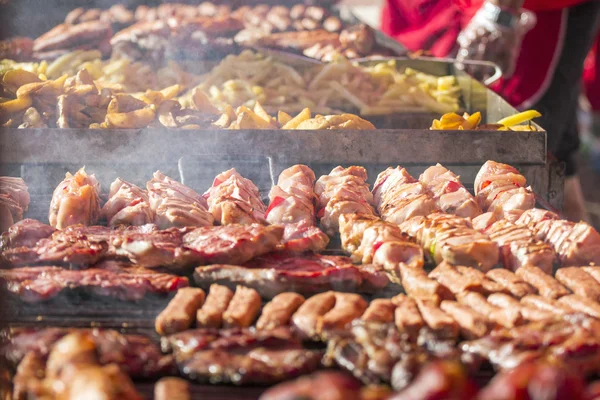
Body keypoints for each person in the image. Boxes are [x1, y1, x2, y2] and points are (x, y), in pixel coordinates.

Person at [381, 0, 600, 222]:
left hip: (532, 14)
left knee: (527, 158)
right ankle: (580, 245)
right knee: (559, 162)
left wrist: (501, 12)